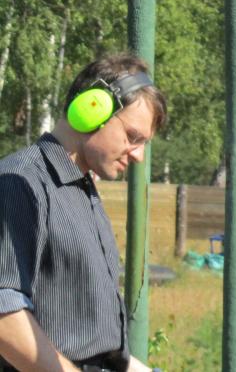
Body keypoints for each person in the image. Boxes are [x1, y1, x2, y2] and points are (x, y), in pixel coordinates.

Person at [0, 53, 167, 372]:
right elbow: (4, 314)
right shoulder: (19, 183)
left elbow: (94, 344)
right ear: (92, 110)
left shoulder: (81, 189)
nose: (139, 156)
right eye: (133, 137)